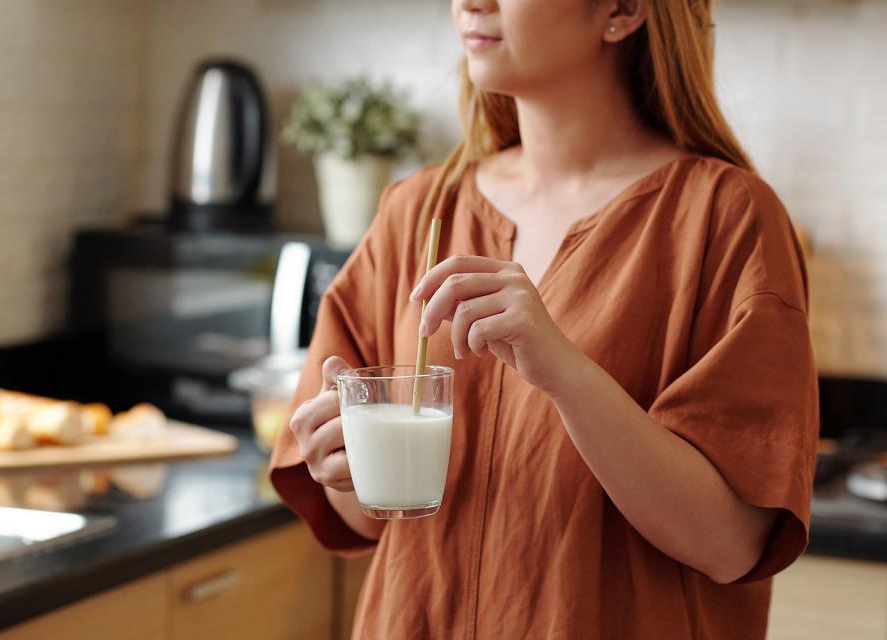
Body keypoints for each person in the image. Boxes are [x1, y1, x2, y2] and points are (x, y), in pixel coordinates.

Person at [270, 0, 819, 637]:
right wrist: (338, 464)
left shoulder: (728, 220)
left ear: (622, 11)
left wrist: (566, 373)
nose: (471, 3)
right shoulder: (416, 211)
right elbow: (364, 520)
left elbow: (732, 545)